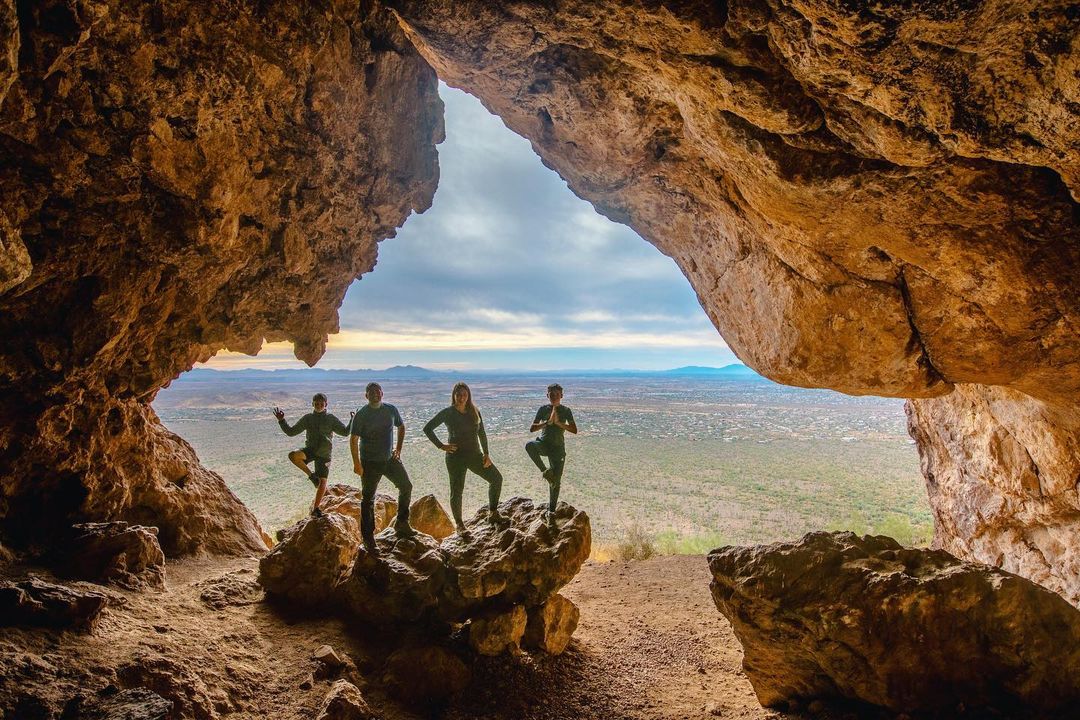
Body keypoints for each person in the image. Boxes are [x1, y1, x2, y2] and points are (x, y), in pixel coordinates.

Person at [423, 382, 507, 533]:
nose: (462, 398)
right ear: (454, 396)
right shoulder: (448, 412)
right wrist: (441, 446)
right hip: (455, 458)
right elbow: (427, 428)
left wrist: (486, 453)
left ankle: (493, 513)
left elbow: (482, 433)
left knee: (496, 479)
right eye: (459, 395)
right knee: (457, 490)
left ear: (468, 396)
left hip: (475, 455)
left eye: (464, 395)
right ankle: (460, 525)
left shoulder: (474, 411)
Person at [350, 382, 417, 551]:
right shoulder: (362, 414)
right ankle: (368, 537)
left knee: (406, 486)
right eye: (371, 392)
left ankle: (401, 522)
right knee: (368, 498)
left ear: (382, 393)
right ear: (366, 396)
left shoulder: (390, 410)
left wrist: (399, 449)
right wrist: (357, 463)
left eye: (377, 392)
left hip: (388, 459)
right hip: (369, 462)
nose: (375, 395)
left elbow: (401, 427)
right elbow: (353, 439)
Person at [273, 393, 350, 518]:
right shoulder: (308, 418)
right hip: (310, 450)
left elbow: (345, 432)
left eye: (321, 403)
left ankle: (316, 508)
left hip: (324, 454)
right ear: (312, 404)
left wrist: (353, 420)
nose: (319, 406)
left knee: (323, 482)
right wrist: (281, 420)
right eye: (316, 403)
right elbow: (291, 432)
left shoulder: (331, 418)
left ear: (326, 404)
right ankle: (311, 476)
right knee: (293, 455)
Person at [526, 383, 577, 521]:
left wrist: (559, 423)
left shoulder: (566, 410)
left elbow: (574, 429)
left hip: (558, 449)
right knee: (530, 446)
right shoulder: (543, 409)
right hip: (544, 444)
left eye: (556, 394)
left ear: (562, 395)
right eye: (551, 394)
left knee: (556, 482)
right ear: (547, 395)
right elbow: (532, 428)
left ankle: (552, 512)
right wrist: (547, 423)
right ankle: (545, 471)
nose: (554, 396)